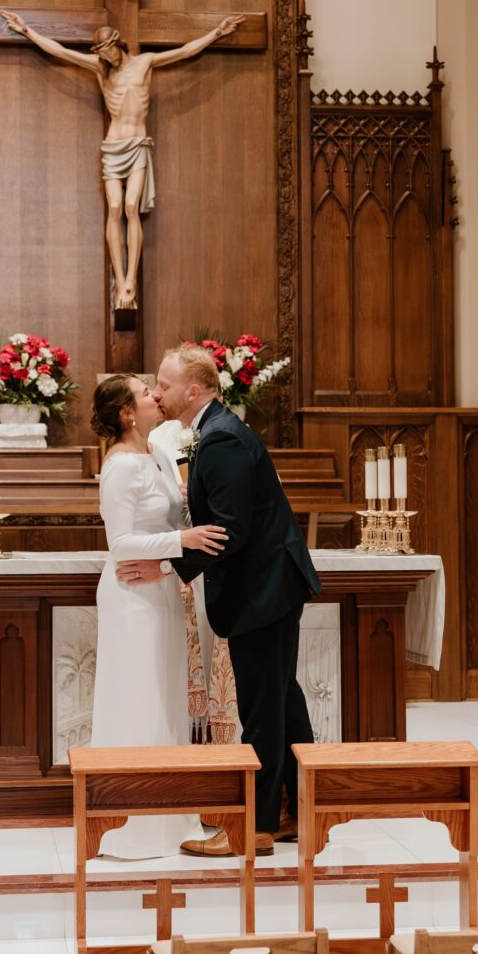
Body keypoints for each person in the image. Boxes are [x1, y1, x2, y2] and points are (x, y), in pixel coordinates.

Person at [116, 345, 321, 856]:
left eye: (163, 384)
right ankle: (299, 810)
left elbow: (228, 530)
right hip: (270, 586)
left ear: (193, 390)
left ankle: (254, 828)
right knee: (283, 700)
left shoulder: (222, 439)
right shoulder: (217, 430)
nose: (157, 392)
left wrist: (167, 565)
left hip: (264, 590)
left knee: (263, 709)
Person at [0, 11, 245, 311]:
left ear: (118, 44)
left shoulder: (145, 62)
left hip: (138, 144)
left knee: (131, 207)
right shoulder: (101, 70)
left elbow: (185, 51)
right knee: (114, 207)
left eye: (108, 51)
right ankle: (119, 278)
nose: (107, 58)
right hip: (113, 145)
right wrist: (27, 31)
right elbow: (60, 51)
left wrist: (217, 32)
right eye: (101, 54)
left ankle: (131, 279)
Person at [90, 373, 228, 859]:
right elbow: (119, 544)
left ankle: (172, 814)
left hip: (163, 587)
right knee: (139, 695)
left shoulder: (161, 454)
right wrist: (181, 543)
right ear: (127, 412)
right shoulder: (121, 467)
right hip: (131, 595)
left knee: (168, 695)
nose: (155, 394)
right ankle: (135, 819)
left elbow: (179, 515)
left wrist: (183, 544)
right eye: (146, 392)